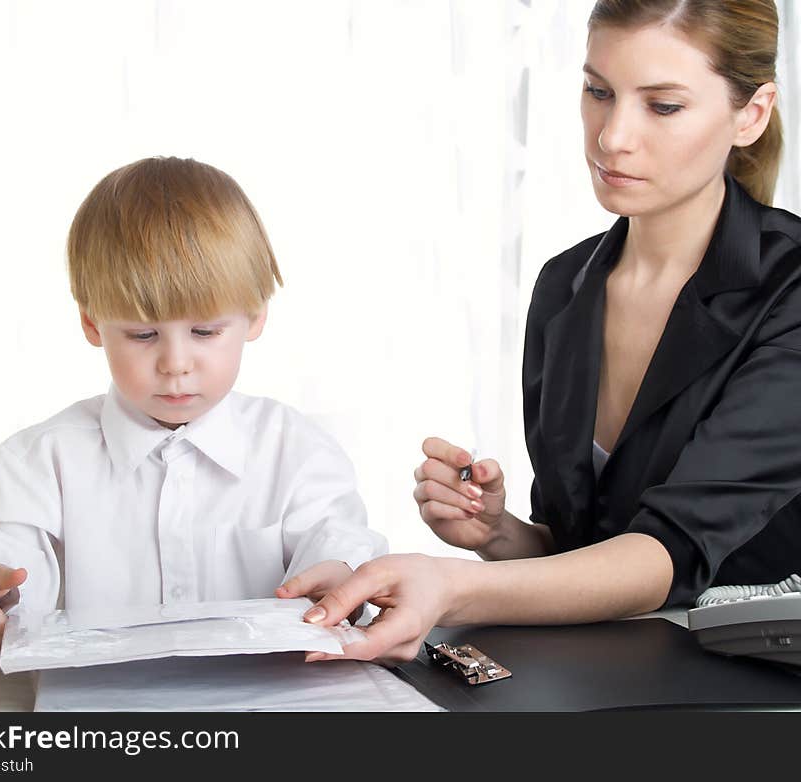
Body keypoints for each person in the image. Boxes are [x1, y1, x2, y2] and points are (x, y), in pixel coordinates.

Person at [279, 0, 801, 665]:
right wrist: (498, 535)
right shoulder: (565, 286)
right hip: (606, 677)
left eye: (662, 106)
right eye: (598, 92)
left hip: (754, 694)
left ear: (751, 114)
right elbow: (587, 553)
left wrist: (451, 587)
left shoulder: (789, 291)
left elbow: (672, 555)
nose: (613, 136)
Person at [0, 156, 386, 652]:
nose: (175, 363)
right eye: (143, 334)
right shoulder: (42, 457)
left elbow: (336, 535)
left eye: (205, 331)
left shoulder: (294, 449)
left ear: (253, 317)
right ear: (93, 325)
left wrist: (339, 574)